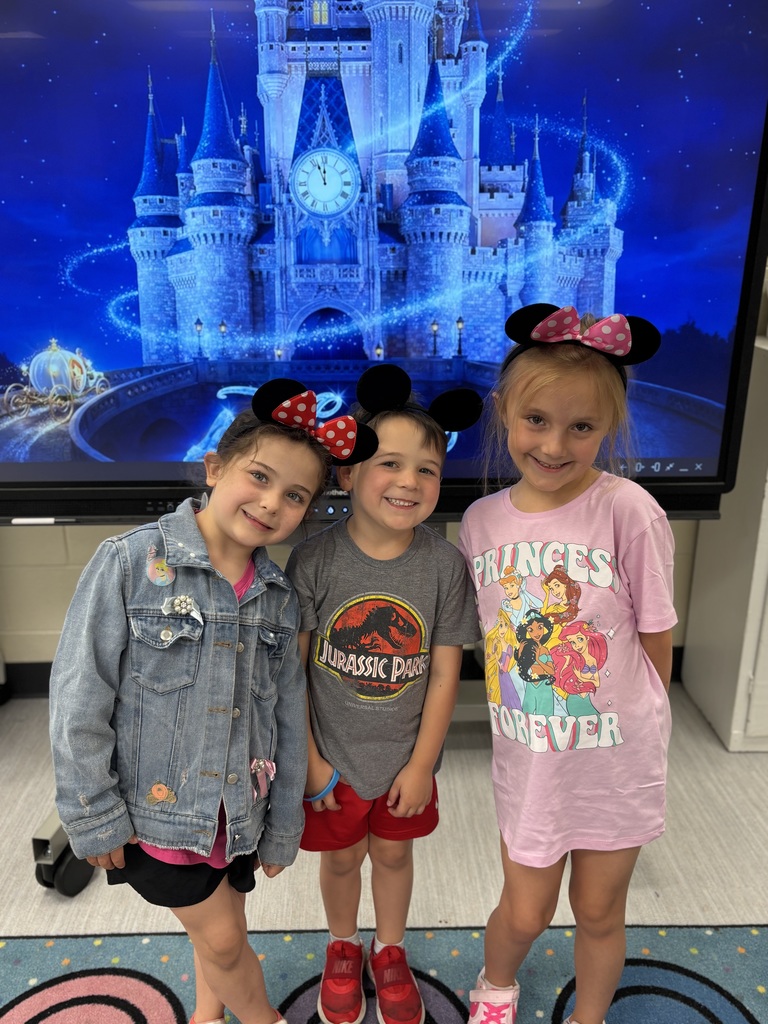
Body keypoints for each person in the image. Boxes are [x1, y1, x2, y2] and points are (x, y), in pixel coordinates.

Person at [49, 377, 377, 1024]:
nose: (271, 502)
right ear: (214, 467)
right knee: (224, 940)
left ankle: (206, 1015)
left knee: (225, 925)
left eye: (295, 495)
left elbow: (286, 717)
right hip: (157, 815)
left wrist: (282, 827)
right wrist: (91, 811)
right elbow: (78, 695)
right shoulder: (130, 562)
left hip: (237, 812)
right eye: (258, 477)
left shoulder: (278, 597)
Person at [458, 304, 676, 1024]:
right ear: (503, 412)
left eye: (581, 427)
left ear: (609, 424)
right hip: (530, 760)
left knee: (599, 910)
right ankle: (496, 986)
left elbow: (655, 643)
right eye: (536, 420)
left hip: (614, 761)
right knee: (524, 911)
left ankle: (589, 1016)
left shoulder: (630, 510)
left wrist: (638, 730)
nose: (554, 445)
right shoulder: (480, 522)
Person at [285, 364, 482, 1024]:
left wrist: (423, 764)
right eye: (389, 464)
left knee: (395, 854)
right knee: (342, 860)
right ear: (347, 474)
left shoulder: (444, 566)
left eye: (427, 469)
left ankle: (389, 949)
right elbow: (292, 672)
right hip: (332, 762)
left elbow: (446, 673)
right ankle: (343, 946)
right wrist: (311, 761)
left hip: (404, 759)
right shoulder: (313, 561)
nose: (409, 481)